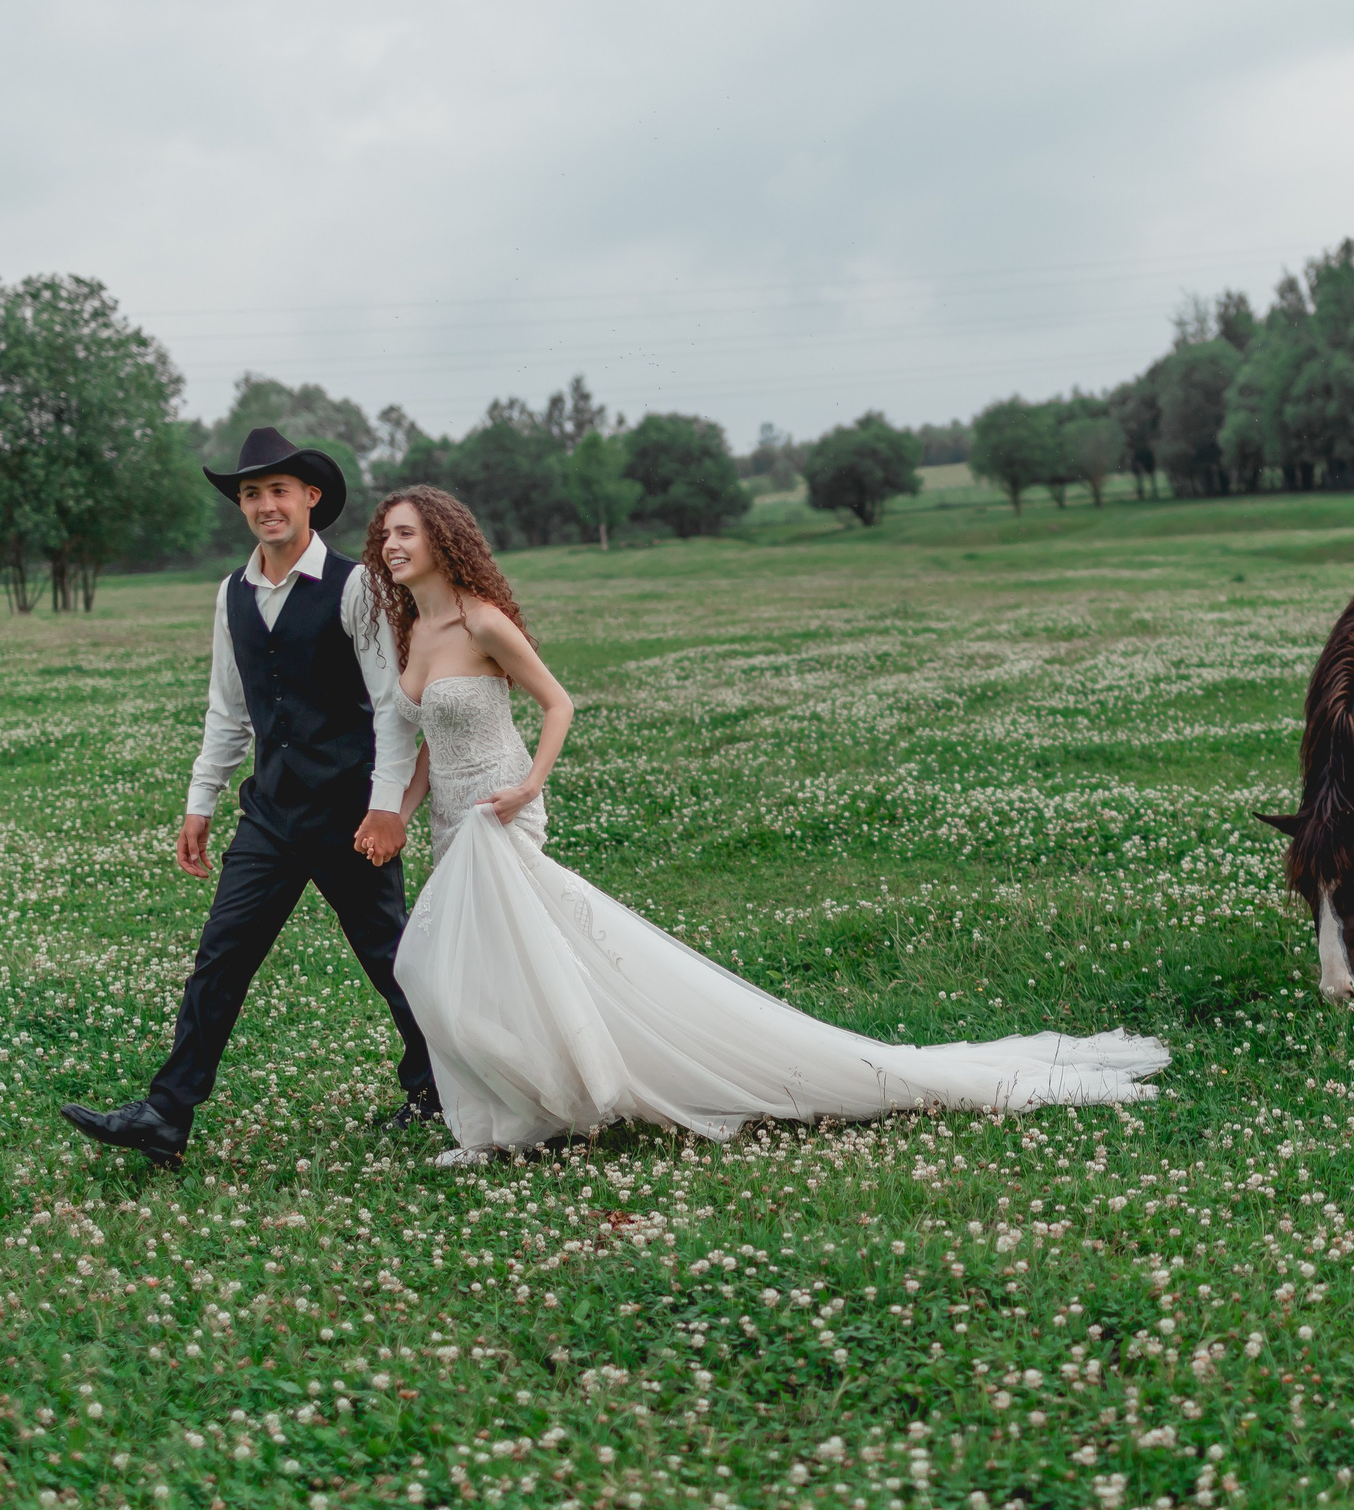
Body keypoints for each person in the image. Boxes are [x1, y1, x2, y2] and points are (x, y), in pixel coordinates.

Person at [360, 484, 1168, 1160]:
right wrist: (397, 809)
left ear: (442, 538)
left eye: (406, 531)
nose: (393, 543)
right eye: (385, 534)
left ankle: (535, 1110)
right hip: (453, 823)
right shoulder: (414, 633)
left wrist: (530, 784)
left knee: (457, 963)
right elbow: (430, 738)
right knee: (464, 969)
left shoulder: (482, 620)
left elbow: (558, 701)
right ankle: (509, 1117)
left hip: (503, 811)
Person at [61, 429, 441, 1166]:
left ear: (311, 498)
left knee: (391, 955)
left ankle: (438, 1088)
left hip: (349, 810)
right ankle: (167, 1113)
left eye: (278, 491)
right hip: (270, 812)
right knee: (221, 955)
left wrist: (388, 806)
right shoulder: (231, 592)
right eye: (250, 494)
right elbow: (227, 708)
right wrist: (200, 800)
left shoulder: (356, 584)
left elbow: (393, 705)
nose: (265, 505)